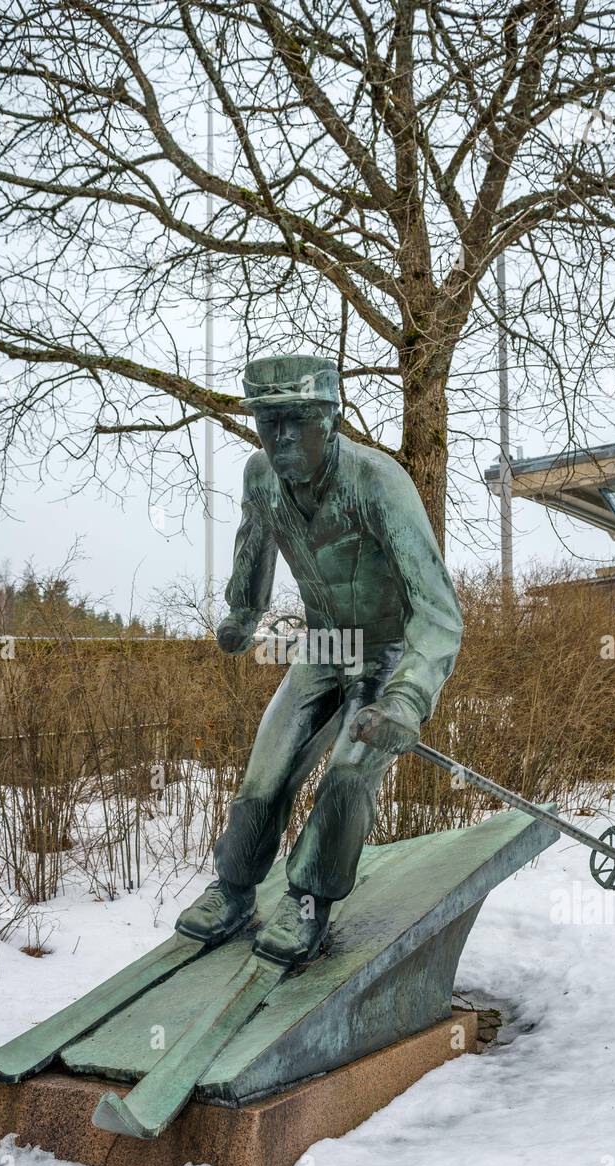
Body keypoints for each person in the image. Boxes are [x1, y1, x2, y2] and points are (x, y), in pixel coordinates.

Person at [176, 354, 464, 965]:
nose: (278, 436)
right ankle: (233, 889)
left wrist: (406, 699)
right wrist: (243, 614)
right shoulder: (260, 477)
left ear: (328, 420)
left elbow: (437, 612)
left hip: (385, 656)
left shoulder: (377, 482)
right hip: (322, 650)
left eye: (294, 422)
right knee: (264, 775)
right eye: (267, 421)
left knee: (347, 780)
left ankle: (308, 902)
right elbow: (253, 545)